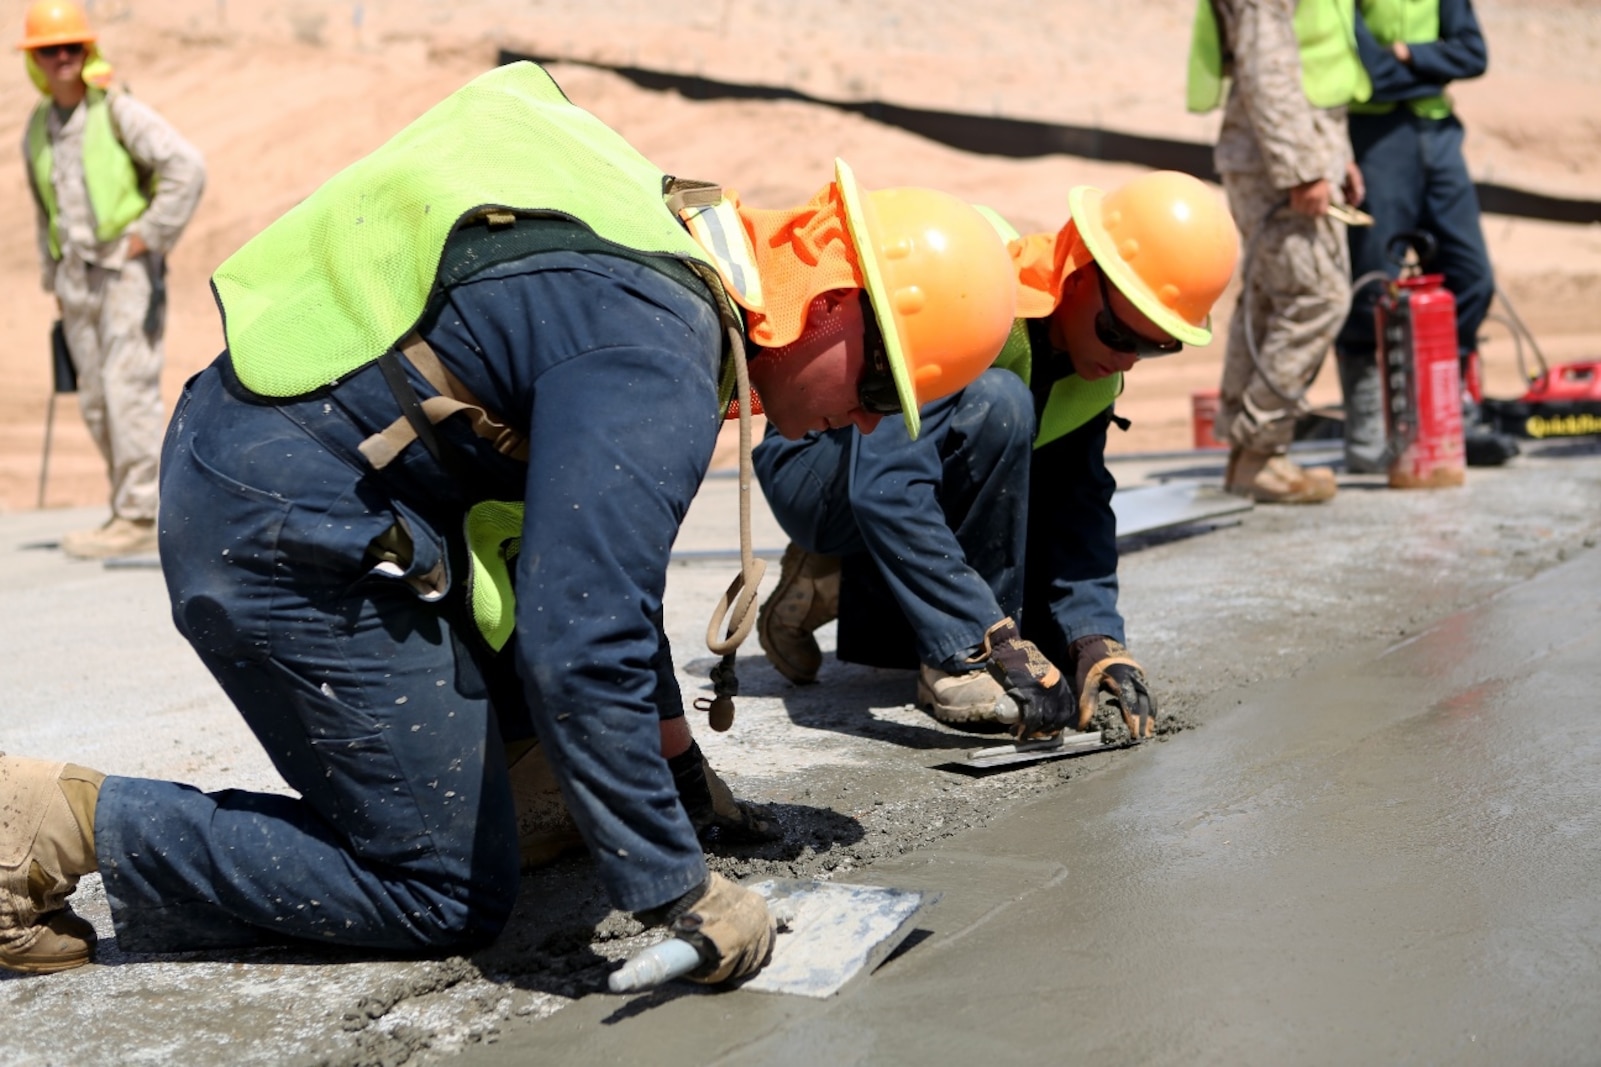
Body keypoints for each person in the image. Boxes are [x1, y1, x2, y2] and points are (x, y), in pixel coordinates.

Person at [0, 61, 1021, 979]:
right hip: (280, 524)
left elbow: (581, 569)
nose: (868, 419)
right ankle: (56, 822)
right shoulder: (661, 344)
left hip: (295, 465)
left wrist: (677, 777)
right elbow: (582, 635)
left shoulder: (659, 251)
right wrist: (676, 887)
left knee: (556, 795)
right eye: (880, 379)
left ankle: (501, 798)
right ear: (831, 302)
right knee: (445, 891)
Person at [755, 171, 1239, 734]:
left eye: (1155, 346)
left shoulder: (1091, 375)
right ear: (1081, 272)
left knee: (1042, 616)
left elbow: (1076, 512)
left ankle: (860, 586)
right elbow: (887, 487)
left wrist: (1096, 640)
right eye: (1118, 333)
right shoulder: (977, 298)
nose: (1128, 360)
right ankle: (918, 634)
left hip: (894, 473)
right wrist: (980, 644)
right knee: (1000, 402)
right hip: (817, 459)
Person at [18, 0, 206, 558]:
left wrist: (149, 235)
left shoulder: (117, 109)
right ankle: (129, 506)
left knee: (129, 393)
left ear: (88, 49)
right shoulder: (38, 125)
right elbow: (43, 206)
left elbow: (186, 167)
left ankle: (142, 512)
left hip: (125, 274)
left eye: (71, 46)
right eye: (49, 50)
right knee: (97, 400)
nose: (62, 58)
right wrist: (54, 277)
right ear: (35, 59)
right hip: (75, 284)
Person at [1187, 0, 1370, 503]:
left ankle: (1252, 455)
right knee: (1317, 298)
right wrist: (1302, 169)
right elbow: (1268, 67)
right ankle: (1262, 448)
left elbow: (1314, 66)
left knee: (1274, 297)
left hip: (1293, 150)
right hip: (1277, 161)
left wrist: (1337, 159)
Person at [1336, 0, 1517, 470]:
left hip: (1438, 134)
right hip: (1376, 133)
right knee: (1373, 281)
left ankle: (1447, 409)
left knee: (1471, 277)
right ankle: (1369, 427)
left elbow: (1472, 54)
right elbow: (1369, 70)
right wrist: (1428, 63)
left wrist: (1402, 54)